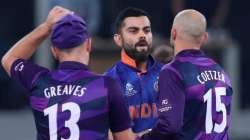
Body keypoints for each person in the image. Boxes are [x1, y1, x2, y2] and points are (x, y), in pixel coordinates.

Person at [1, 6, 135, 140]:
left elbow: (9, 59)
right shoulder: (107, 86)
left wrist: (46, 27)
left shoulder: (38, 81)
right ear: (88, 44)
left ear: (54, 51)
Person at [141, 9, 233, 140]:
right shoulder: (222, 74)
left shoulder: (173, 71)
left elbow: (169, 126)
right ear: (205, 38)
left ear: (173, 33)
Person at [104, 7, 163, 134]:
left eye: (146, 30)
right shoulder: (108, 81)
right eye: (134, 31)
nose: (142, 35)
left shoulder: (168, 74)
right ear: (118, 39)